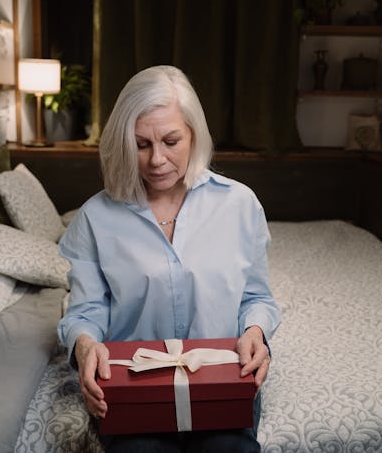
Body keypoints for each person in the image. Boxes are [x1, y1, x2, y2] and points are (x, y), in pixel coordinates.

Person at [57, 65, 280, 453]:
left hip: (221, 379)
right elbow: (85, 311)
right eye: (141, 144)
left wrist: (255, 333)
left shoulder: (239, 204)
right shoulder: (96, 217)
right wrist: (84, 346)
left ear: (195, 135)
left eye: (171, 141)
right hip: (131, 386)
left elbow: (256, 298)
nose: (157, 159)